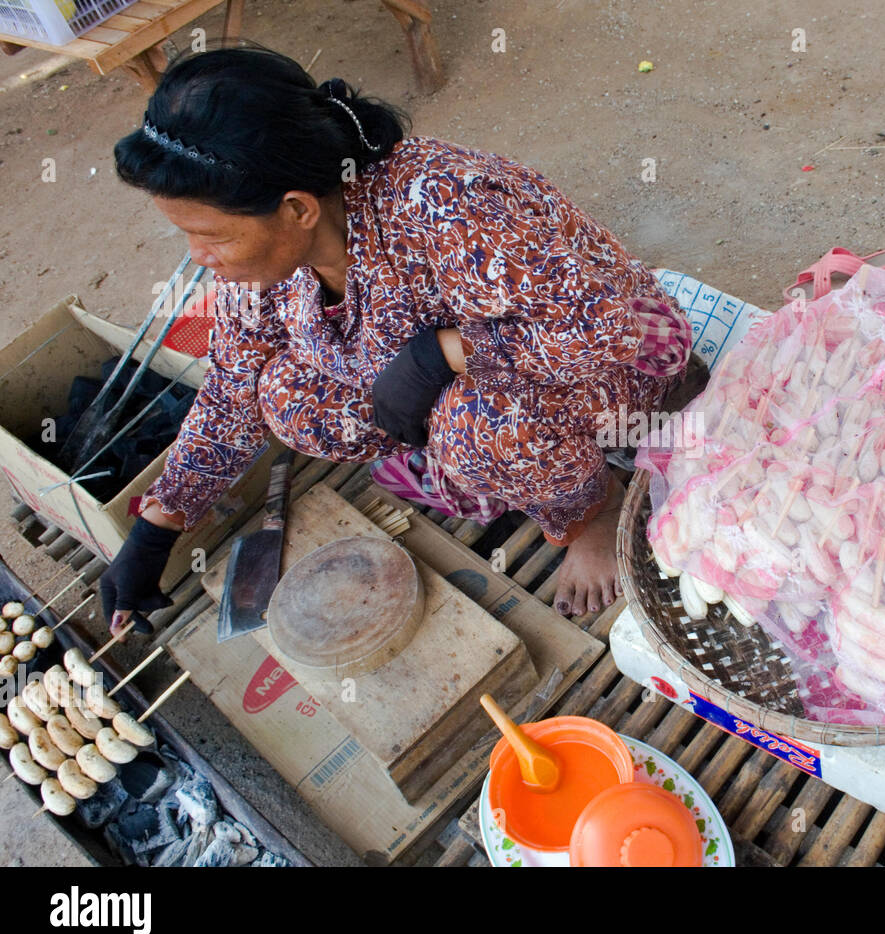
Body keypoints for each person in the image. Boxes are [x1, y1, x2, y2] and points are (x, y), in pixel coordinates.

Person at [98, 44, 693, 635]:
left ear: (298, 209)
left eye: (211, 237)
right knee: (283, 394)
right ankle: (494, 459)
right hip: (472, 378)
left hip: (616, 360)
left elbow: (601, 327)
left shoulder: (445, 203)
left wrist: (440, 353)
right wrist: (159, 523)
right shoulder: (263, 272)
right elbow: (234, 385)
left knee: (478, 429)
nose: (200, 259)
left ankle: (591, 509)